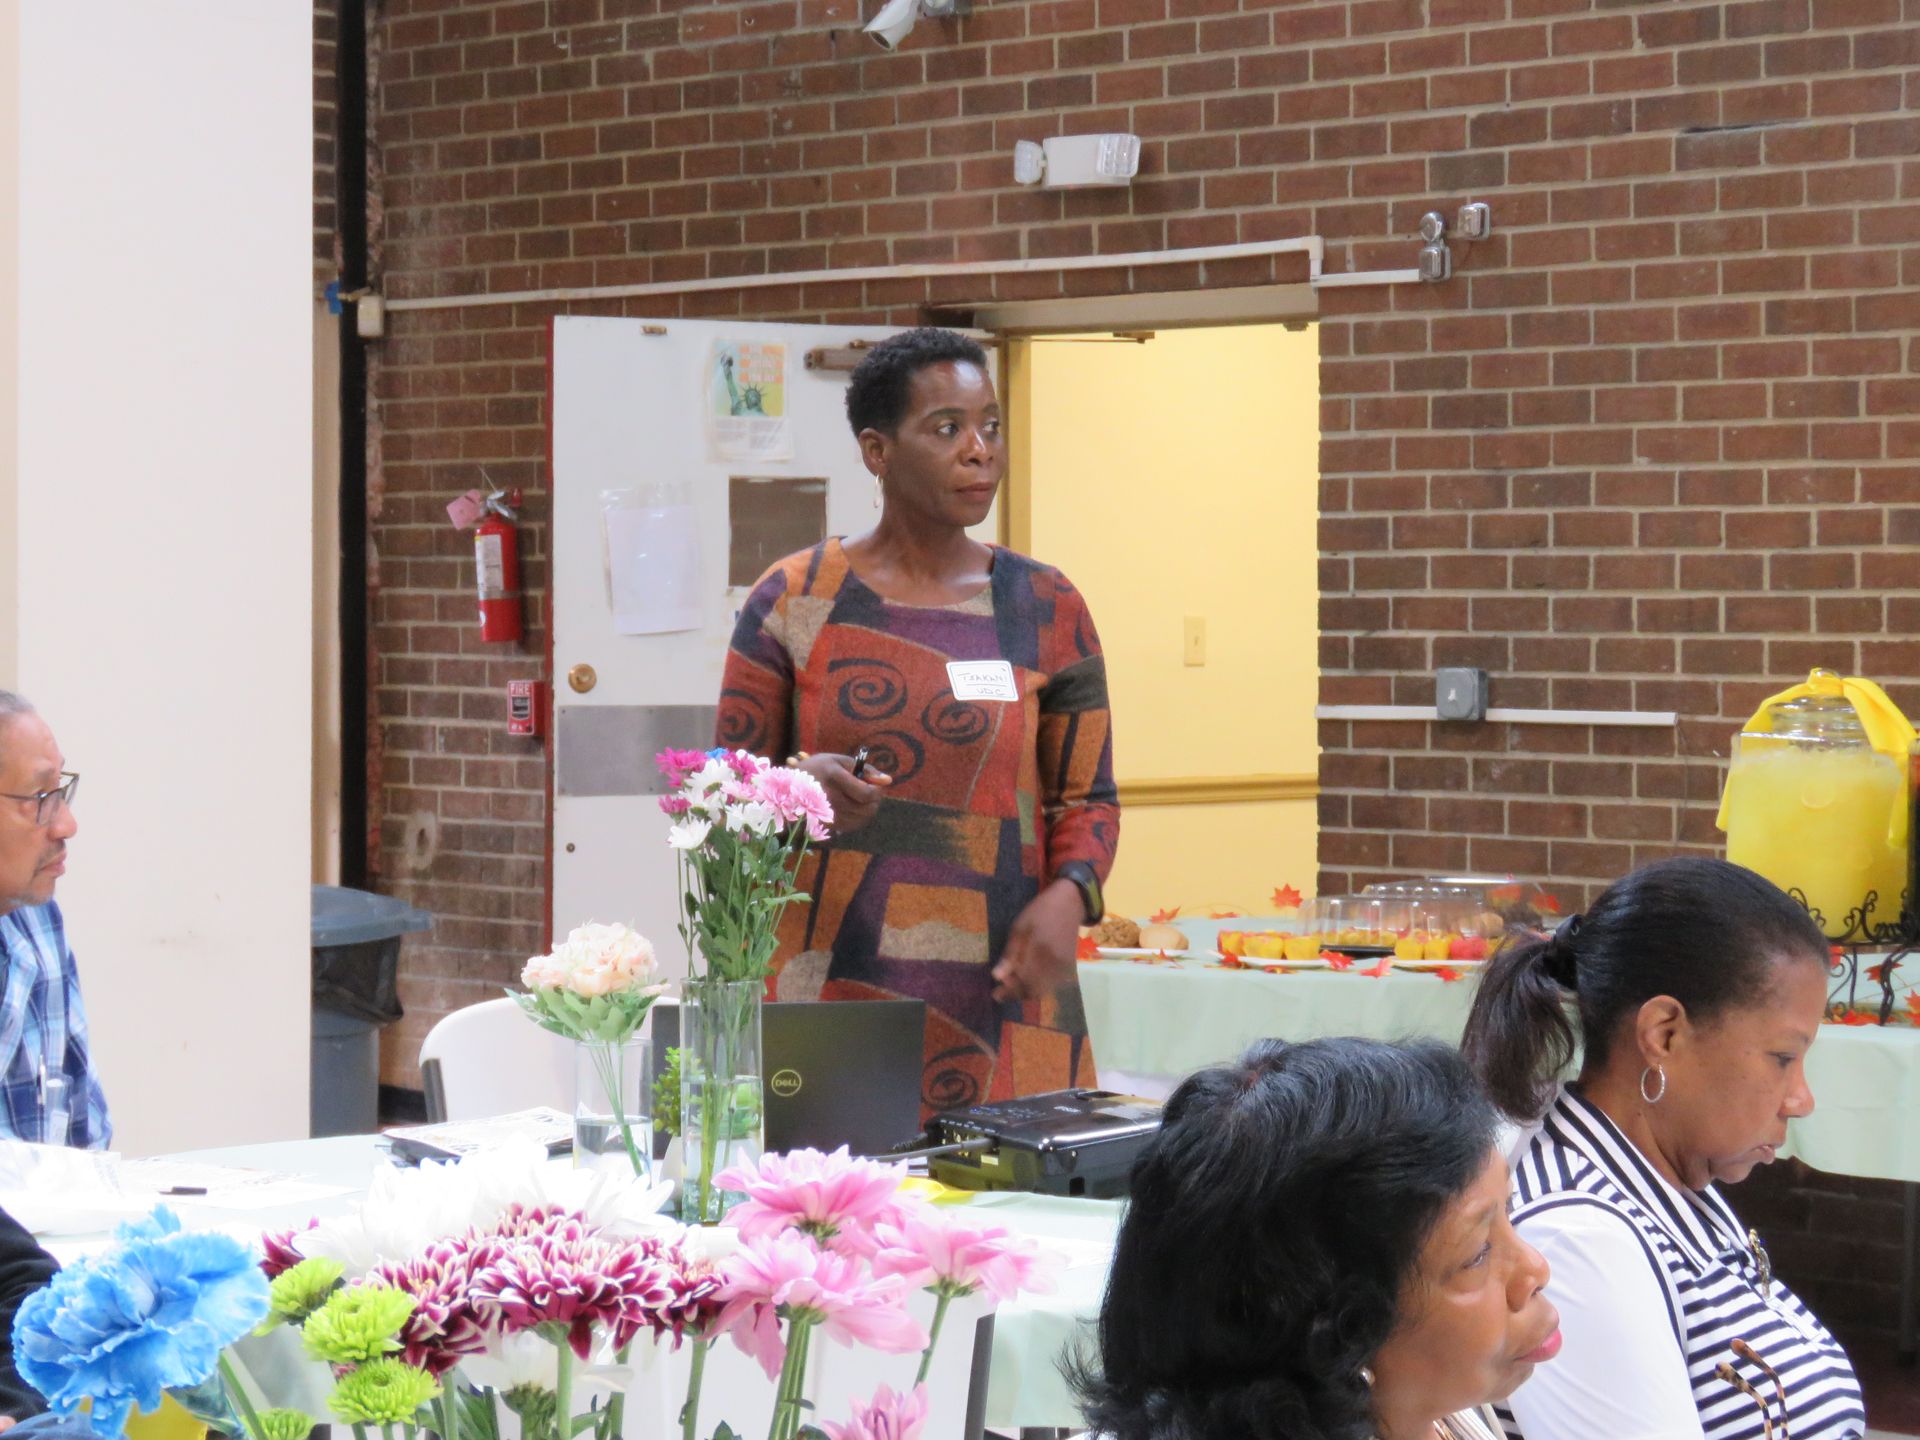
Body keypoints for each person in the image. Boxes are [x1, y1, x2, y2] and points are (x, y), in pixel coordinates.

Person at [715, 326, 1120, 1117]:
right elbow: (721, 791)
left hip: (1007, 994)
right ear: (877, 450)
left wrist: (1071, 894)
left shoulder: (1046, 606)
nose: (981, 451)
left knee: (1014, 1228)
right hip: (830, 991)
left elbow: (1089, 797)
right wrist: (800, 786)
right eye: (948, 429)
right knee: (831, 1217)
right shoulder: (795, 599)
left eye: (991, 426)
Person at [1462, 856, 1864, 1440]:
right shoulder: (1577, 1236)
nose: (1800, 1099)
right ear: (1664, 1034)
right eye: (1783, 1058)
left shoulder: (1668, 1173)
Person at [1074, 1037, 1559, 1440]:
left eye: (1507, 1214)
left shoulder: (1444, 1418)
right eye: (1477, 1255)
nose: (1535, 1269)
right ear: (1339, 1340)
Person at [0, 692, 108, 1149]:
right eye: (40, 797)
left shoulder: (36, 923)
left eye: (59, 792)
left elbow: (86, 1150)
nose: (66, 825)